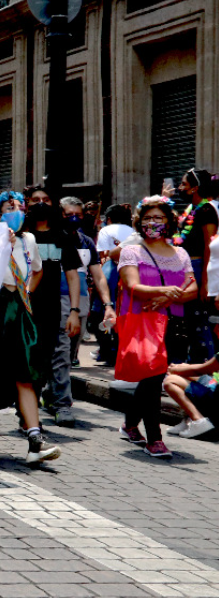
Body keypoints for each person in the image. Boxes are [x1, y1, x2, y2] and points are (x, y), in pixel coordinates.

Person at [0, 192, 61, 464]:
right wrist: (1, 246)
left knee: (26, 372)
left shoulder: (28, 240)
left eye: (19, 207)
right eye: (10, 208)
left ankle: (34, 440)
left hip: (19, 309)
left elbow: (37, 270)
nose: (17, 211)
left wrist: (26, 294)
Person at [116, 196, 197, 459]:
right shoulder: (132, 251)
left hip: (174, 324)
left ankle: (129, 423)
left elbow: (192, 287)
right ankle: (155, 438)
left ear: (169, 222)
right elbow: (132, 286)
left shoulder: (180, 253)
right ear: (140, 222)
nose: (153, 222)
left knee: (154, 378)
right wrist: (163, 290)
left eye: (159, 218)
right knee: (152, 379)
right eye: (148, 218)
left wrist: (167, 297)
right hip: (144, 321)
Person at [23, 193, 83, 427]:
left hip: (53, 309)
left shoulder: (63, 238)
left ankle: (60, 404)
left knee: (56, 357)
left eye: (46, 199)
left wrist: (75, 311)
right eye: (35, 199)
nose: (40, 204)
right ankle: (27, 408)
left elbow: (72, 276)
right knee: (29, 359)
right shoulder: (20, 237)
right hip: (24, 309)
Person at [61, 196, 116, 383]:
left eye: (78, 215)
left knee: (70, 350)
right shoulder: (52, 238)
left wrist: (108, 304)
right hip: (55, 299)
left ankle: (57, 389)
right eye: (69, 214)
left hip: (81, 300)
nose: (74, 218)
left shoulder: (86, 242)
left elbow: (99, 275)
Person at [173, 169, 217, 365]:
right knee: (188, 320)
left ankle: (207, 369)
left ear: (195, 188)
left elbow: (210, 245)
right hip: (185, 267)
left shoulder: (207, 210)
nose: (180, 188)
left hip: (198, 267)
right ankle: (193, 364)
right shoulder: (191, 209)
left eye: (183, 184)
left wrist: (205, 281)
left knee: (199, 319)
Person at [94, 203, 135, 366]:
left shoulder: (105, 231)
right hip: (130, 273)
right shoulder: (134, 232)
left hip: (110, 272)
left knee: (101, 311)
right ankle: (117, 350)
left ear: (109, 219)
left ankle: (107, 350)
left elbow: (103, 254)